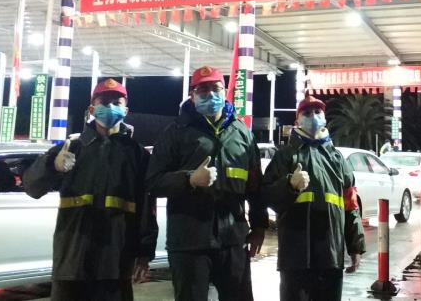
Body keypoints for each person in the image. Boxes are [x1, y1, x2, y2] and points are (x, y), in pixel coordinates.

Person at [24, 79, 156, 301]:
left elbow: (146, 208)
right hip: (72, 262)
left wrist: (144, 253)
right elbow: (31, 187)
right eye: (104, 101)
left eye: (117, 102)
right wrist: (52, 166)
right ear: (92, 109)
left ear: (126, 110)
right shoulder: (71, 148)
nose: (110, 106)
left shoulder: (137, 155)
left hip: (115, 263)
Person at [146, 66, 267, 301]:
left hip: (233, 240)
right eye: (203, 90)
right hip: (189, 243)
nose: (210, 94)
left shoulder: (242, 133)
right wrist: (188, 179)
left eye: (215, 88)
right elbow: (153, 182)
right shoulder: (175, 132)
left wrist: (259, 226)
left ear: (225, 92)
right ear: (192, 95)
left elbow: (255, 186)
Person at [262, 95, 366, 301]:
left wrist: (355, 246)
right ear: (297, 120)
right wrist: (289, 185)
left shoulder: (338, 159)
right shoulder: (284, 156)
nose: (313, 116)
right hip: (295, 258)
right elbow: (266, 196)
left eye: (317, 112)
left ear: (325, 118)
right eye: (307, 113)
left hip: (331, 257)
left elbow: (350, 206)